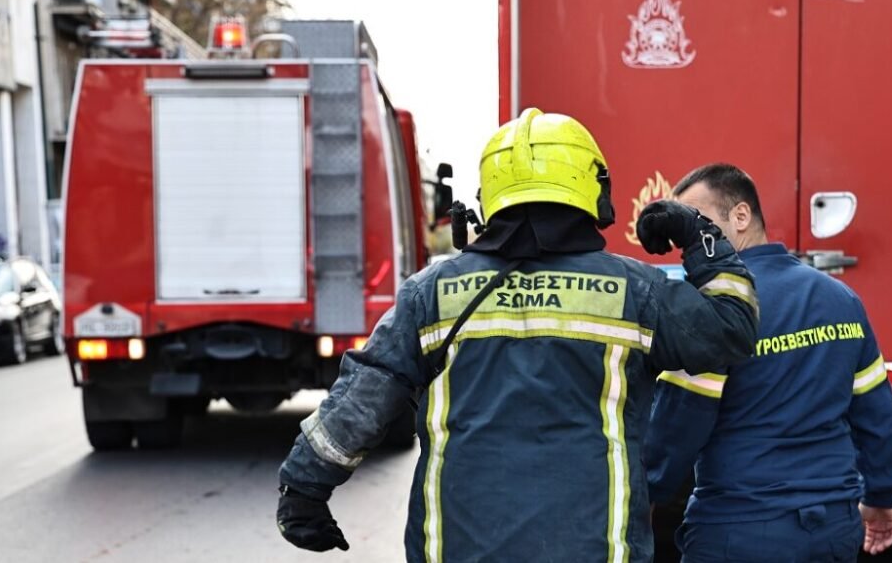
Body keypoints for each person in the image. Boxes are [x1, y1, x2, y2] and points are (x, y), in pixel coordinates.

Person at [276, 109, 760, 561]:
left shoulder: (431, 294)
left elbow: (364, 394)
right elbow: (732, 331)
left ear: (490, 196)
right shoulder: (636, 292)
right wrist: (700, 237)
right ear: (594, 190)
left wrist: (304, 490)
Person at [646, 163, 892, 563]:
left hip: (739, 530)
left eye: (698, 225)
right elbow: (877, 415)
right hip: (833, 530)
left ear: (740, 216)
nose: (691, 243)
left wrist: (644, 494)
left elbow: (678, 425)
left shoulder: (714, 310)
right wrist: (880, 494)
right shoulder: (841, 299)